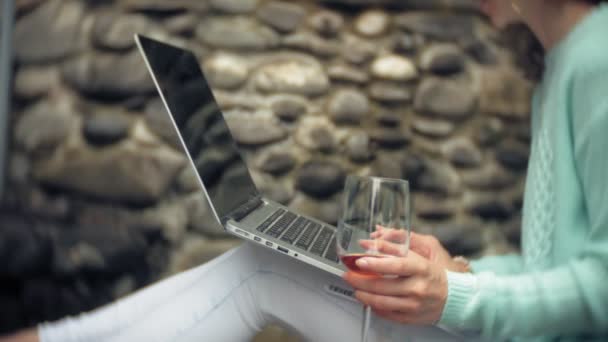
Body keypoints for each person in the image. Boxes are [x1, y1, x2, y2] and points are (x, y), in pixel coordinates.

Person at [3, 0, 608, 340]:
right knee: (261, 257)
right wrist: (462, 269)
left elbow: (601, 293)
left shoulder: (599, 59)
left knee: (261, 272)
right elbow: (555, 263)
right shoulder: (559, 68)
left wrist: (456, 296)